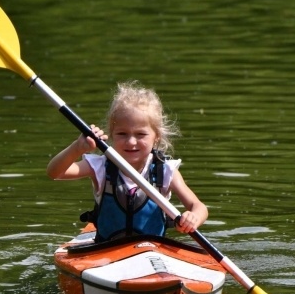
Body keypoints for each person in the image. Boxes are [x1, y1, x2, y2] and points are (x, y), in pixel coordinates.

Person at [46, 81, 208, 242]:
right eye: (122, 134)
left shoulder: (165, 171)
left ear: (156, 136)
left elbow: (199, 207)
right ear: (112, 134)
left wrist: (192, 218)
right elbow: (55, 173)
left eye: (140, 134)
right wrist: (77, 148)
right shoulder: (101, 166)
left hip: (152, 251)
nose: (131, 142)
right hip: (104, 250)